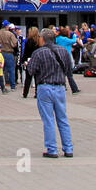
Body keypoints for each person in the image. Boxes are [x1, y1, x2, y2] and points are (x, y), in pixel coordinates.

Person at [28, 28, 75, 158]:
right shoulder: (63, 51)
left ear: (42, 39)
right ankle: (68, 148)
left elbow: (31, 70)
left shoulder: (38, 53)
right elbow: (69, 69)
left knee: (48, 120)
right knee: (63, 118)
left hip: (45, 87)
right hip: (60, 87)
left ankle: (52, 149)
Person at [0, 21, 19, 91]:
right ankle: (13, 86)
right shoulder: (10, 34)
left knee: (0, 70)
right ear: (7, 26)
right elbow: (14, 44)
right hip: (8, 53)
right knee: (11, 70)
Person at [20, 26, 40, 98]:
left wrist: (23, 60)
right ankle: (37, 93)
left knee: (28, 78)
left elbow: (25, 52)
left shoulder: (28, 41)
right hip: (38, 60)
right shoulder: (39, 41)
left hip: (29, 60)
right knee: (37, 78)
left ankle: (25, 93)